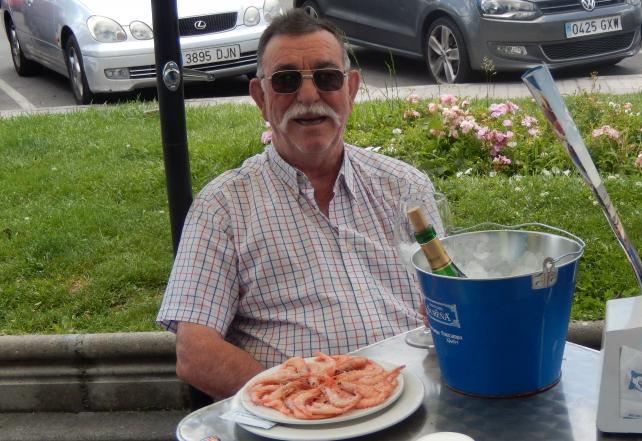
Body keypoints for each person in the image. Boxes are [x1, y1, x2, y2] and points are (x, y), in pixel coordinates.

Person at [156, 9, 442, 399]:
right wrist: (306, 402)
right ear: (260, 97)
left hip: (418, 399)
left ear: (351, 88)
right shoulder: (223, 208)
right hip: (299, 418)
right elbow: (195, 353)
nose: (308, 96)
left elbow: (452, 300)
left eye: (327, 78)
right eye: (286, 81)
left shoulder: (405, 187)